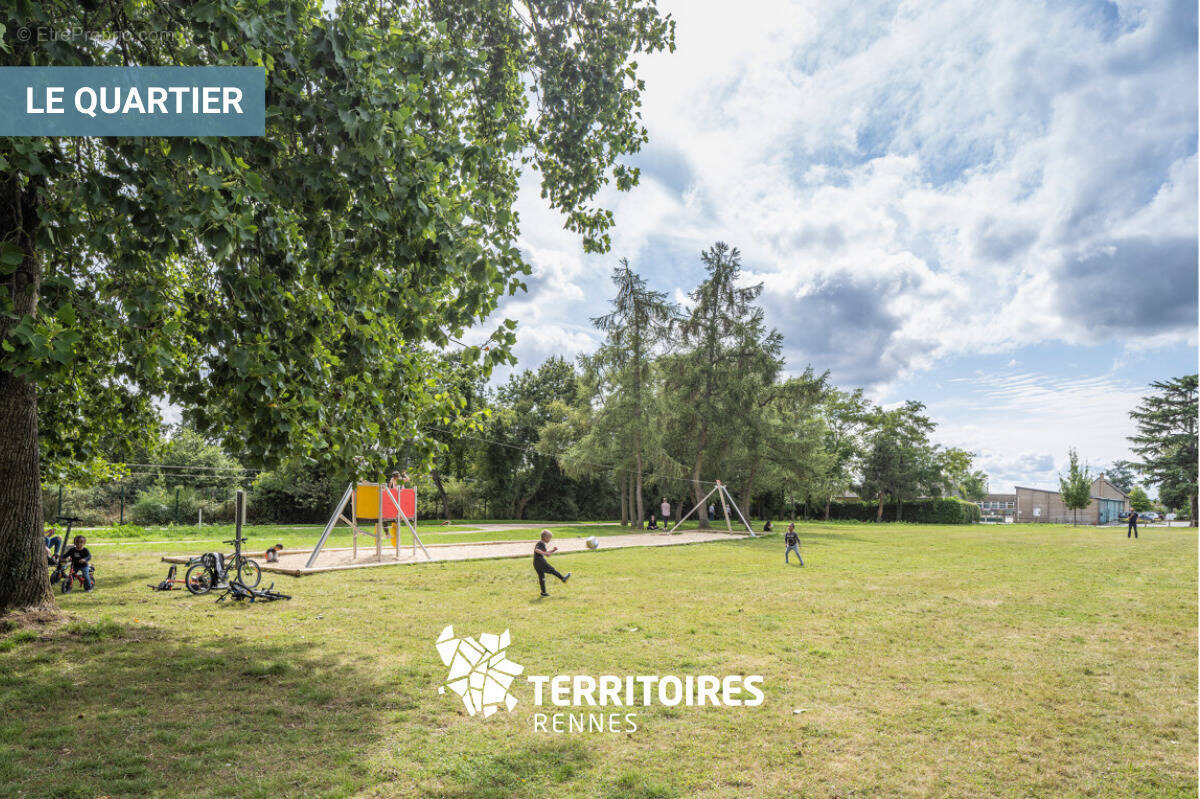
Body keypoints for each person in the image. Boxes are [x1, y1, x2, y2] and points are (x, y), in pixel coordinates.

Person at [533, 530, 570, 597]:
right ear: (546, 537)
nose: (550, 539)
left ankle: (543, 593)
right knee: (552, 570)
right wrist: (545, 553)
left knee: (542, 577)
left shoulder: (542, 544)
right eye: (550, 538)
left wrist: (553, 550)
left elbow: (547, 554)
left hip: (536, 563)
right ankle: (563, 578)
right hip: (540, 562)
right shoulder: (540, 543)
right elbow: (537, 550)